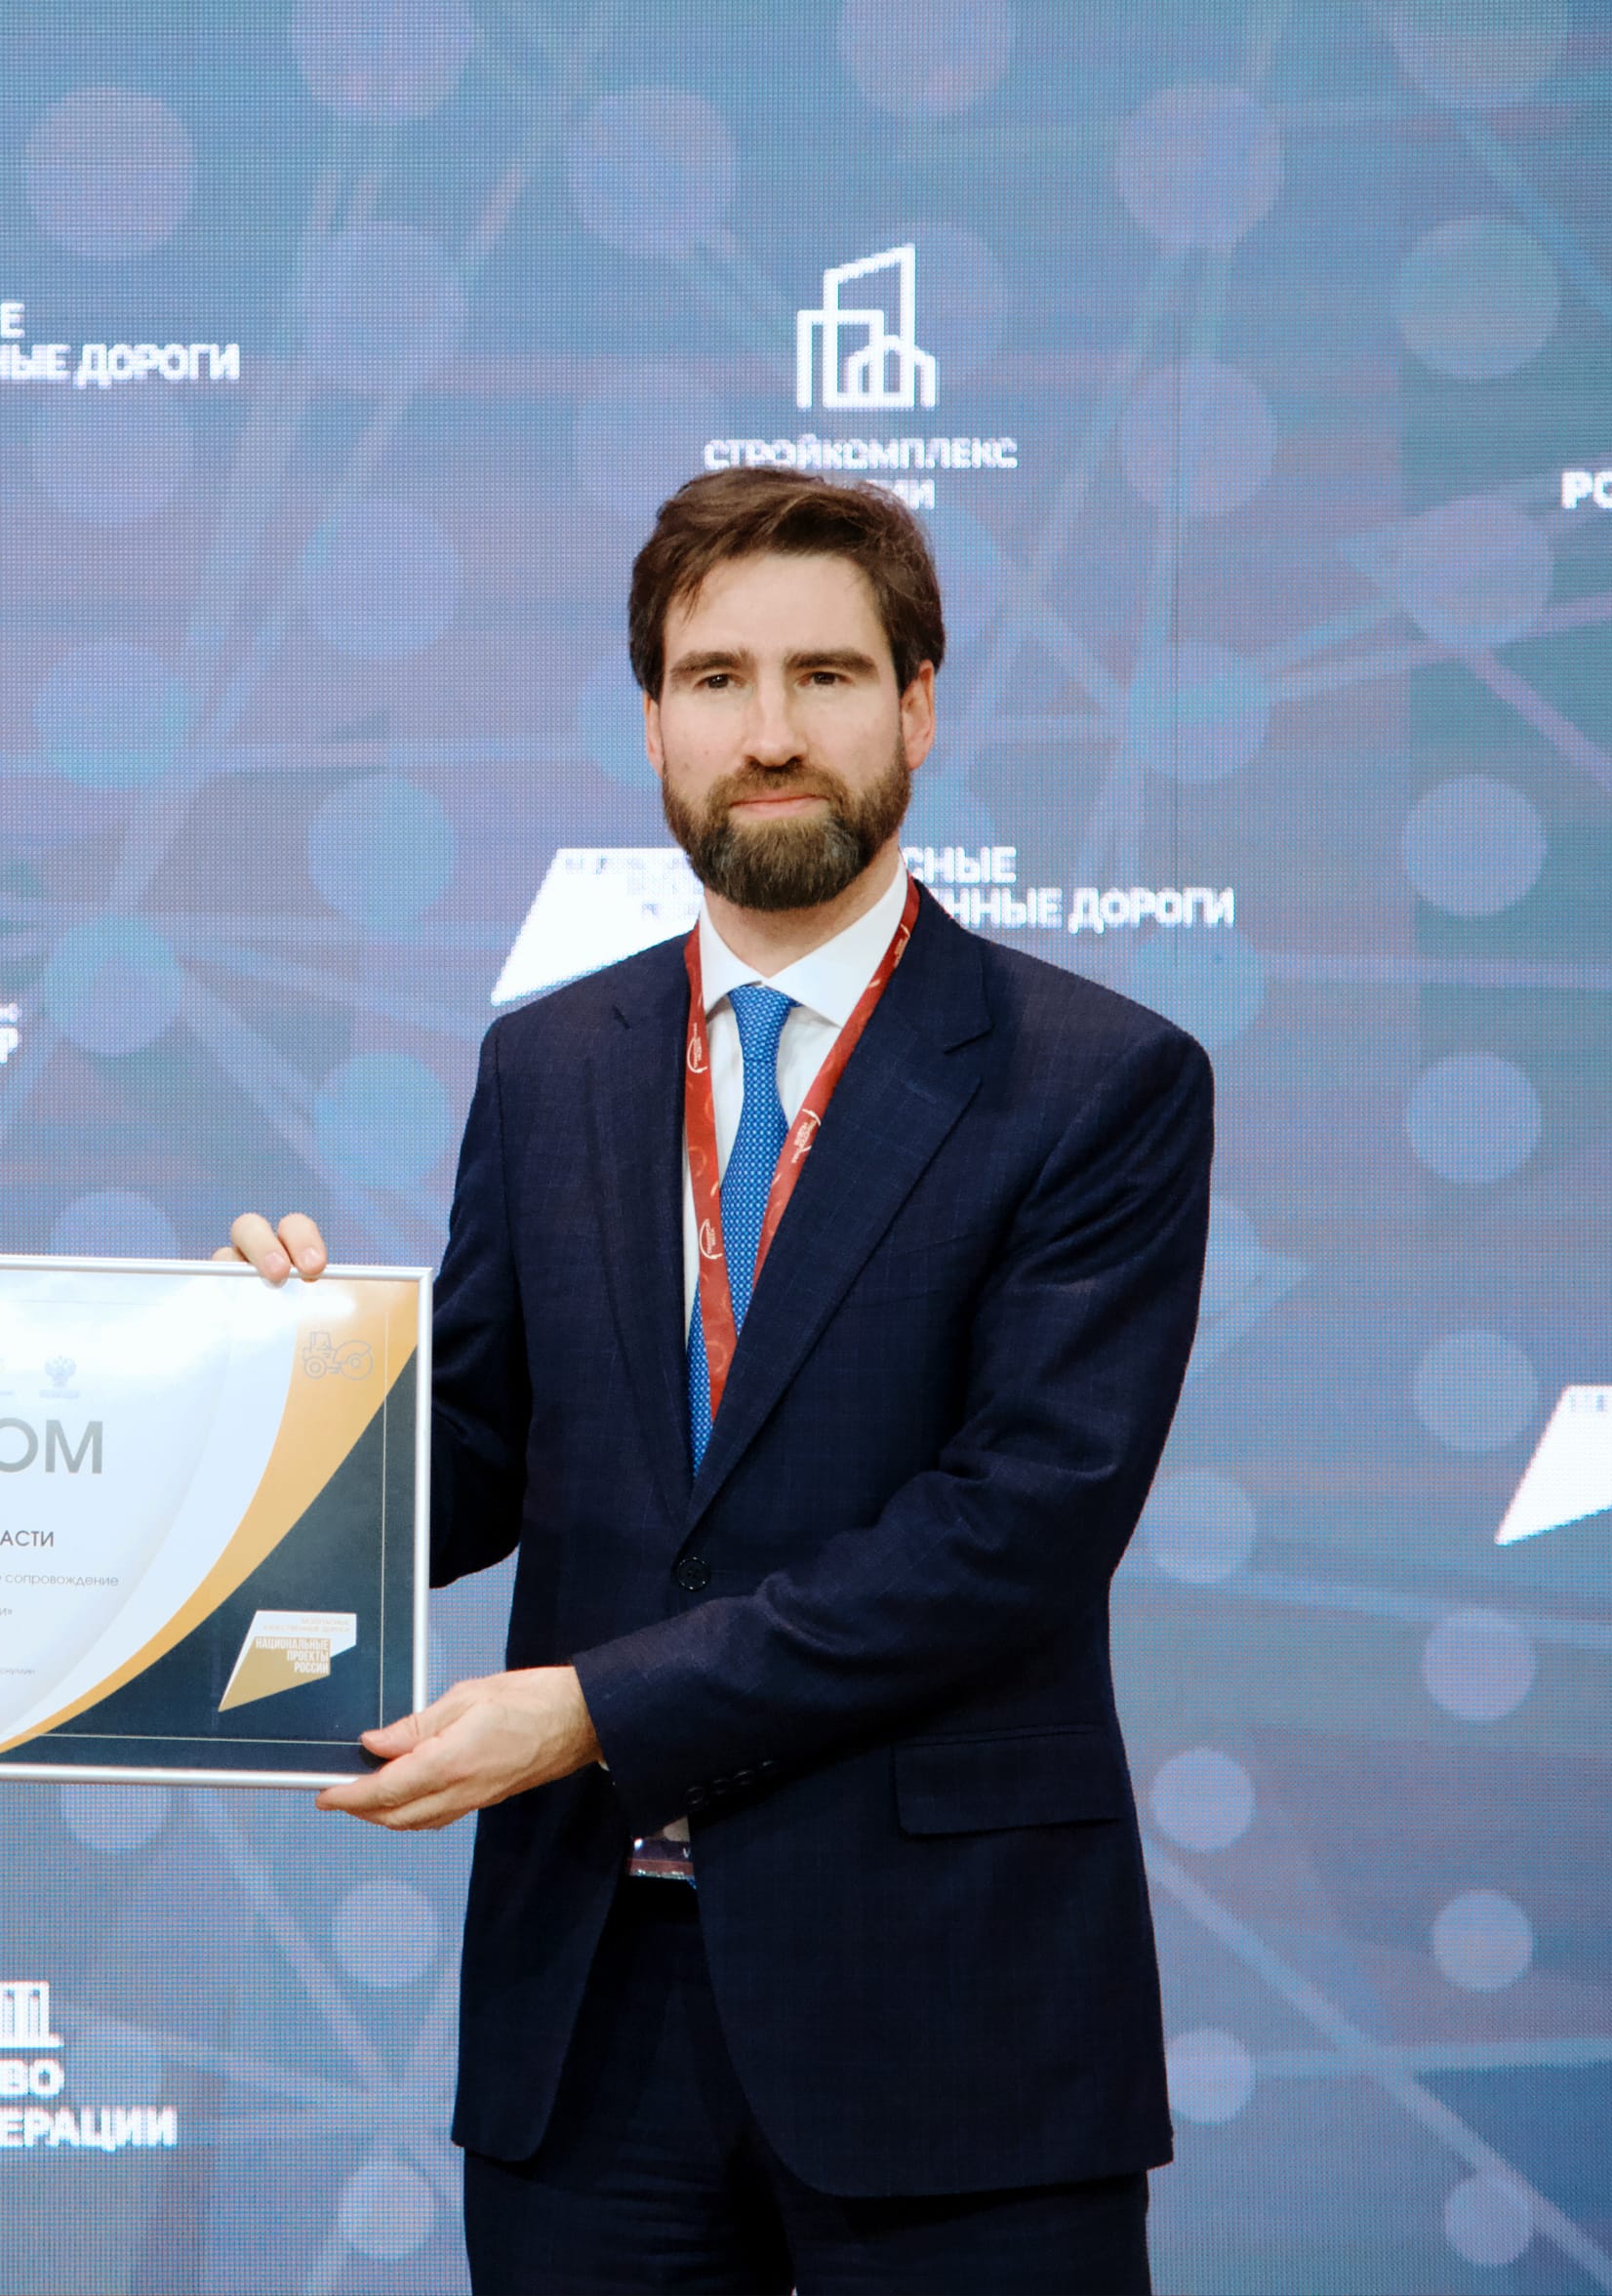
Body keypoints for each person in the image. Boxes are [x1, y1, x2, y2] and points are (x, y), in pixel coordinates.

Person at [231, 466, 1212, 2293]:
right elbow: (474, 1458)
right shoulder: (548, 1065)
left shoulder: (1096, 1081)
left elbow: (1011, 1532)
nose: (768, 733)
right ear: (652, 722)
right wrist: (267, 1396)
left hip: (950, 2018)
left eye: (824, 676)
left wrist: (593, 1709)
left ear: (917, 706)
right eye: (714, 680)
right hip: (591, 2022)